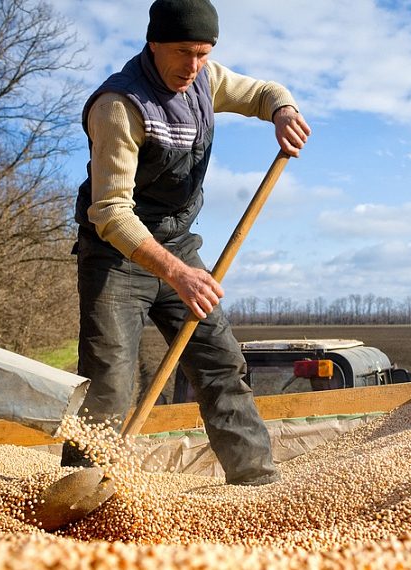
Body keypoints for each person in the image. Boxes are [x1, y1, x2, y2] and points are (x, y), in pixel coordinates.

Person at [66, 0, 311, 487]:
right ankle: (80, 494)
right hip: (116, 256)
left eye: (204, 52)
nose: (193, 66)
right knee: (109, 383)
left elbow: (263, 91)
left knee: (221, 360)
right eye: (183, 52)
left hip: (178, 245)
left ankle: (255, 480)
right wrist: (175, 273)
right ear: (153, 42)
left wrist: (283, 111)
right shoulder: (118, 105)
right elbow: (111, 212)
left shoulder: (204, 77)